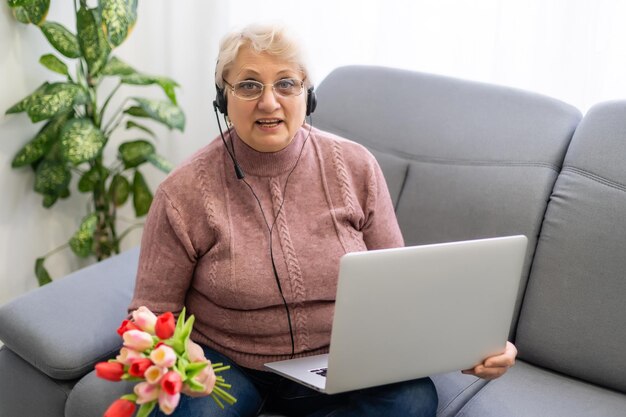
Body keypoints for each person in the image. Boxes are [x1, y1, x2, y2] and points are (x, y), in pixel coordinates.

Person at [129, 23, 517, 417]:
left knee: (412, 400)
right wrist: (181, 350)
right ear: (221, 99)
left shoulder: (355, 166)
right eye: (248, 85)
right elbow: (149, 311)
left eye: (286, 84)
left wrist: (473, 346)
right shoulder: (182, 192)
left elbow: (401, 293)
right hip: (227, 363)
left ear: (308, 95)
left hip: (340, 362)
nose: (268, 102)